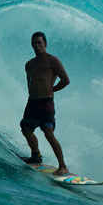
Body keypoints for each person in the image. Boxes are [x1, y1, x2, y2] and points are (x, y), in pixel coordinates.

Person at [20, 31, 71, 175]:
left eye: (39, 43)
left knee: (48, 132)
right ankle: (35, 156)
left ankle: (63, 166)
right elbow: (30, 82)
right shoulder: (29, 64)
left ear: (45, 44)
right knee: (26, 129)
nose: (37, 45)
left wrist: (51, 90)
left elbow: (66, 80)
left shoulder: (52, 60)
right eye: (34, 43)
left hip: (46, 103)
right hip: (32, 102)